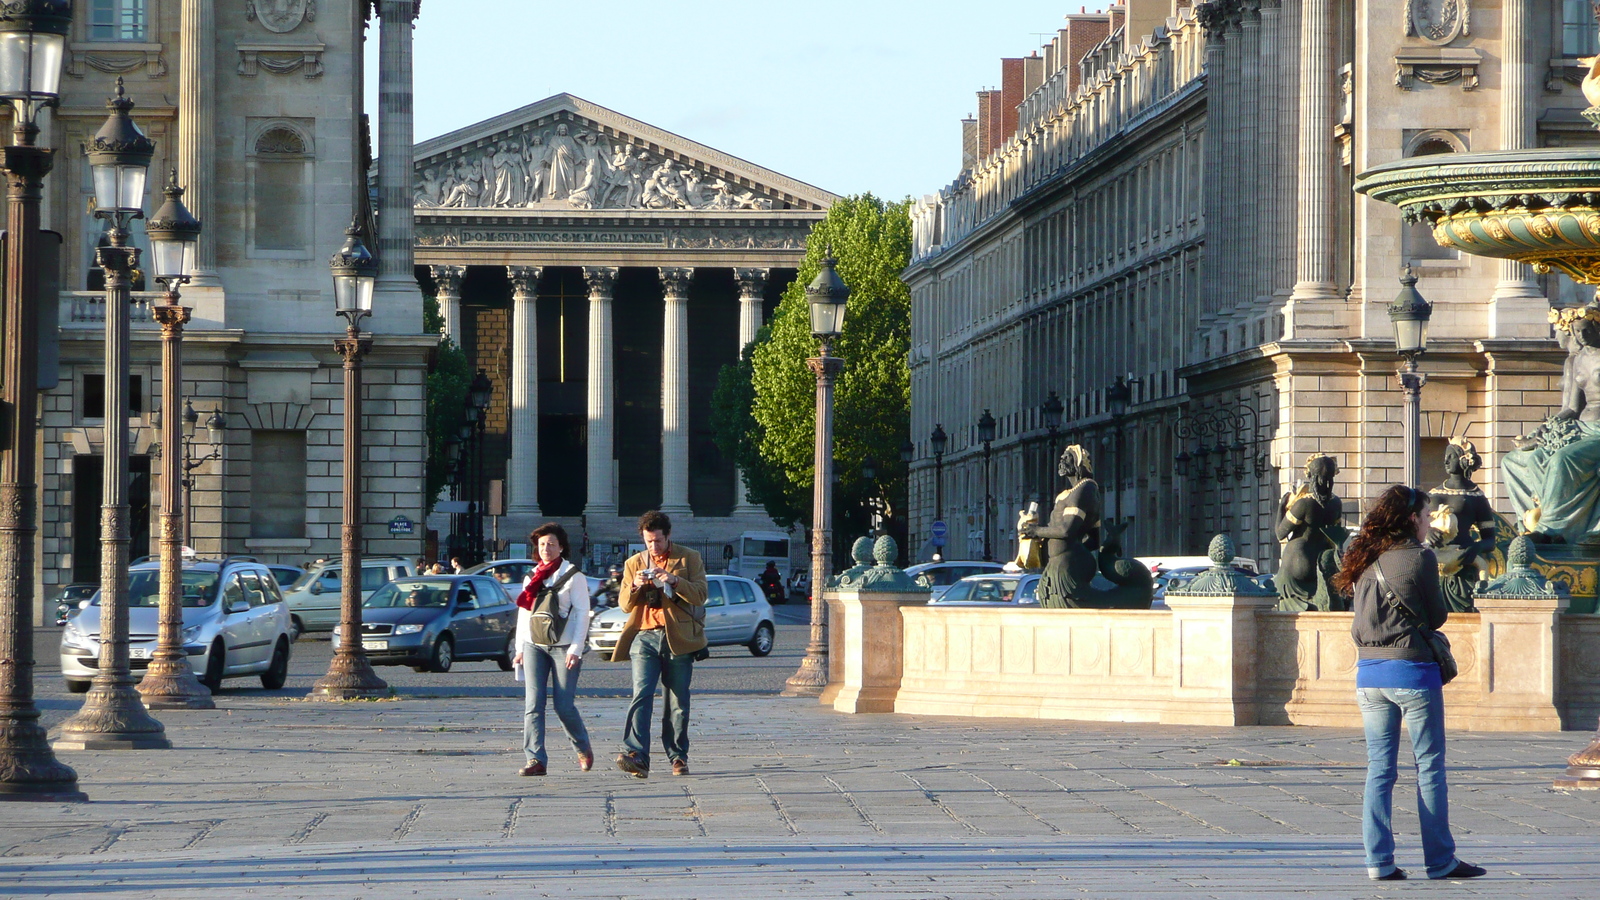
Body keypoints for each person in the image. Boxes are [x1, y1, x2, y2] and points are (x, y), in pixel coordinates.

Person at [1333, 485, 1486, 882]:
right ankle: (1440, 861)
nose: (1429, 521)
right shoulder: (1420, 558)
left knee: (1379, 769)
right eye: (1425, 514)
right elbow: (1436, 617)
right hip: (1412, 673)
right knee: (1429, 766)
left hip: (1369, 675)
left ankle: (1378, 862)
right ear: (1411, 519)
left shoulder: (1364, 558)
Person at [610, 510, 707, 778]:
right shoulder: (634, 563)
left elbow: (700, 595)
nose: (653, 546)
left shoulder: (689, 557)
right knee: (641, 694)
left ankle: (678, 756)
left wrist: (674, 579)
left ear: (668, 536)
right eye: (649, 541)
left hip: (677, 636)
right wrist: (634, 586)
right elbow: (624, 605)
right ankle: (636, 755)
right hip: (644, 636)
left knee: (677, 700)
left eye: (658, 541)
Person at [511, 523, 593, 777]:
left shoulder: (573, 576)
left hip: (565, 647)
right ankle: (535, 759)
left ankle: (582, 748)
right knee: (533, 704)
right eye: (542, 544)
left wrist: (576, 649)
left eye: (551, 544)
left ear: (561, 547)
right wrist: (520, 648)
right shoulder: (531, 576)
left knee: (563, 705)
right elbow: (525, 614)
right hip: (534, 645)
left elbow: (582, 614)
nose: (546, 549)